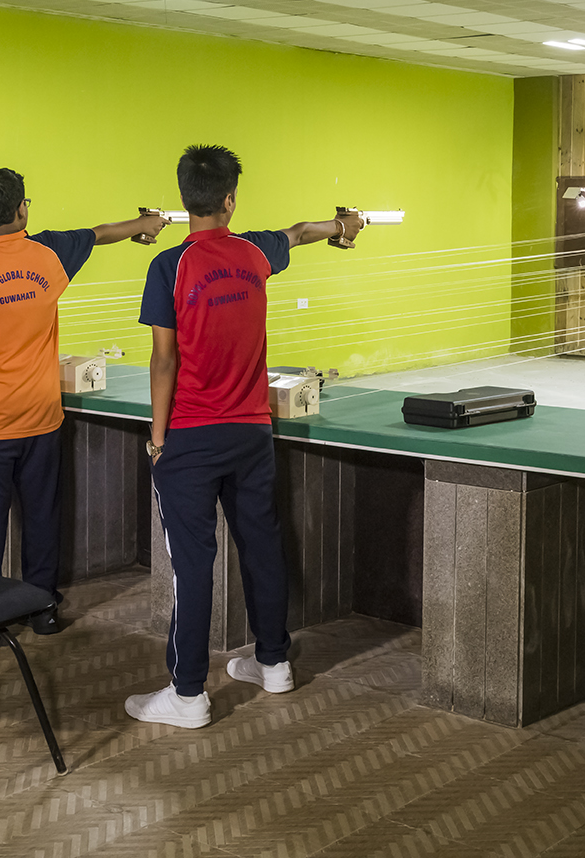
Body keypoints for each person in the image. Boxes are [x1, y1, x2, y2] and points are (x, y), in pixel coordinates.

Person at [125, 145, 364, 729]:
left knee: (192, 565)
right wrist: (343, 227)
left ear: (186, 201)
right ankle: (274, 663)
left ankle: (188, 695)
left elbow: (163, 360)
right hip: (252, 432)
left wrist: (157, 437)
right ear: (229, 200)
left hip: (190, 436)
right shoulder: (254, 252)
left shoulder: (170, 266)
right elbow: (300, 232)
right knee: (260, 545)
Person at [0, 168, 170, 637]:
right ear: (22, 209)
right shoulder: (50, 253)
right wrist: (144, 225)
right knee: (41, 521)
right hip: (41, 420)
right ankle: (42, 609)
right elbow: (100, 233)